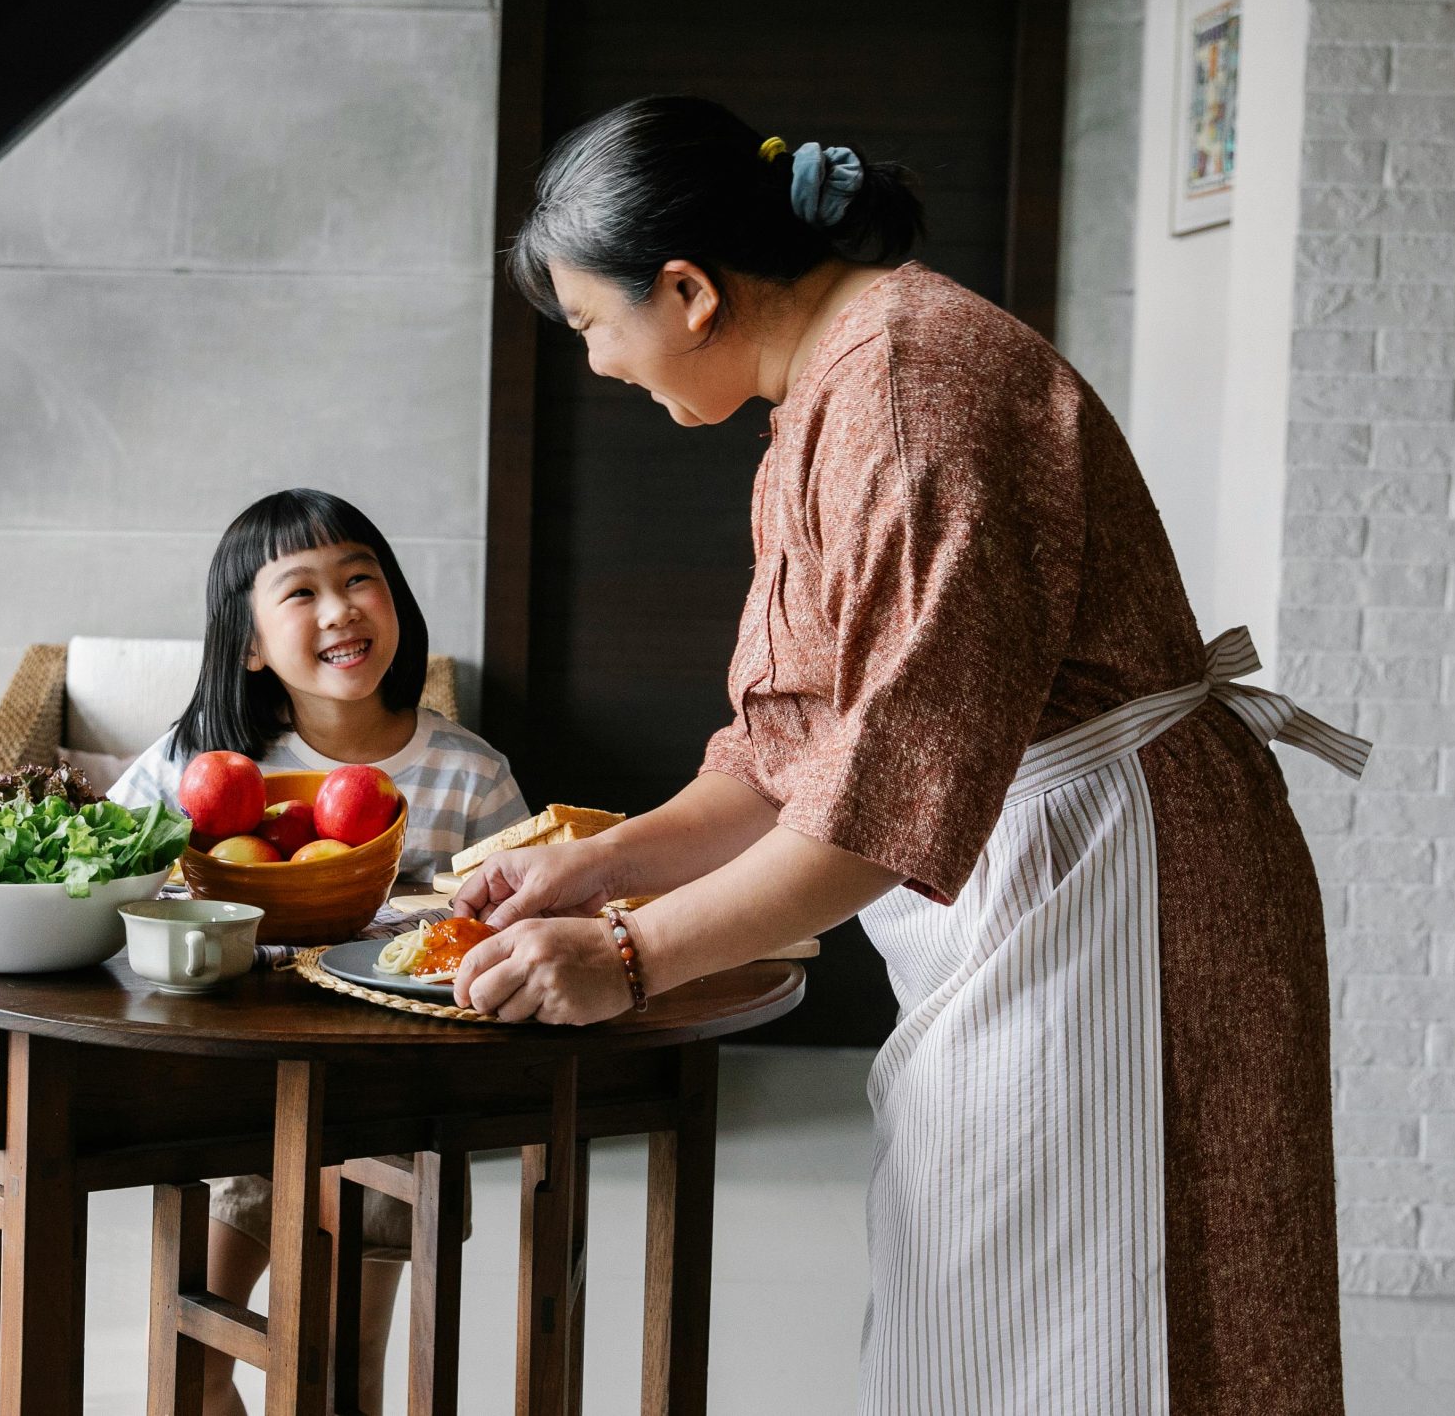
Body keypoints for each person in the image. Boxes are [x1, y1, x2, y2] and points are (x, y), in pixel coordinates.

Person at [451, 96, 1366, 1415]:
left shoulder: (907, 391)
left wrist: (631, 956)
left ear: (690, 290)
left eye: (592, 324)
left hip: (1124, 888)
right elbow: (785, 751)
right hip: (1038, 874)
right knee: (989, 1308)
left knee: (1124, 1324)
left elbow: (883, 800)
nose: (595, 364)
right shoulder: (827, 390)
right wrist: (603, 867)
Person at [110, 487, 528, 1416]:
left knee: (344, 1377)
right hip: (243, 1102)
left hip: (396, 1108)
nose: (340, 607)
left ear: (397, 604)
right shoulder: (211, 767)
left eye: (360, 579)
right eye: (301, 592)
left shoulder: (469, 773)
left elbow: (515, 918)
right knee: (191, 1365)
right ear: (250, 642)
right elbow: (106, 866)